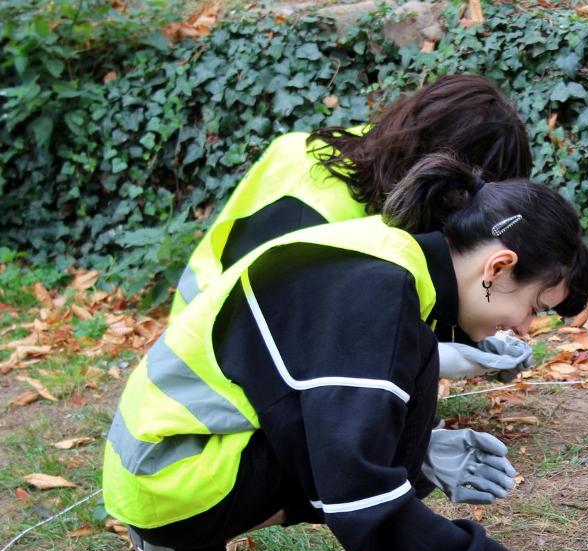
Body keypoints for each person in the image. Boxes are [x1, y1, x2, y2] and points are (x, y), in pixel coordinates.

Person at [104, 154, 588, 551]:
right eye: (534, 307)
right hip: (175, 475)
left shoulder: (386, 254)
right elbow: (359, 493)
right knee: (401, 416)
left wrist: (422, 447)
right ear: (498, 266)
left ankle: (191, 546)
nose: (524, 327)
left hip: (165, 460)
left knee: (407, 403)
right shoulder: (380, 295)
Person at [173, 73, 537, 383]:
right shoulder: (312, 204)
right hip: (208, 380)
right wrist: (429, 363)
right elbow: (286, 344)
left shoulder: (385, 168)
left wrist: (471, 337)